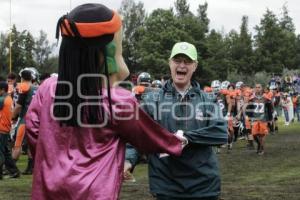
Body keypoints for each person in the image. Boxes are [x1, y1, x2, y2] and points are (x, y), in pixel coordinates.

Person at [25, 4, 184, 200]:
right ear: (107, 52)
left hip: (48, 189)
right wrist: (177, 142)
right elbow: (148, 138)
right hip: (94, 192)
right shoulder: (117, 101)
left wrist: (52, 161)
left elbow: (33, 132)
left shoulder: (47, 89)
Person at [125, 42, 228, 200]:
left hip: (204, 186)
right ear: (170, 63)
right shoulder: (152, 100)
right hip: (166, 187)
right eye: (177, 60)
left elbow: (220, 133)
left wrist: (187, 138)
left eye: (187, 62)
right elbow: (136, 137)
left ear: (195, 66)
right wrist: (128, 161)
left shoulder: (208, 99)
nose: (182, 65)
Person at [0, 81, 20, 179]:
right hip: (6, 128)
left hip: (1, 128)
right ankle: (14, 171)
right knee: (6, 153)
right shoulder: (9, 98)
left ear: (2, 90)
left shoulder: (2, 99)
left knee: (1, 152)